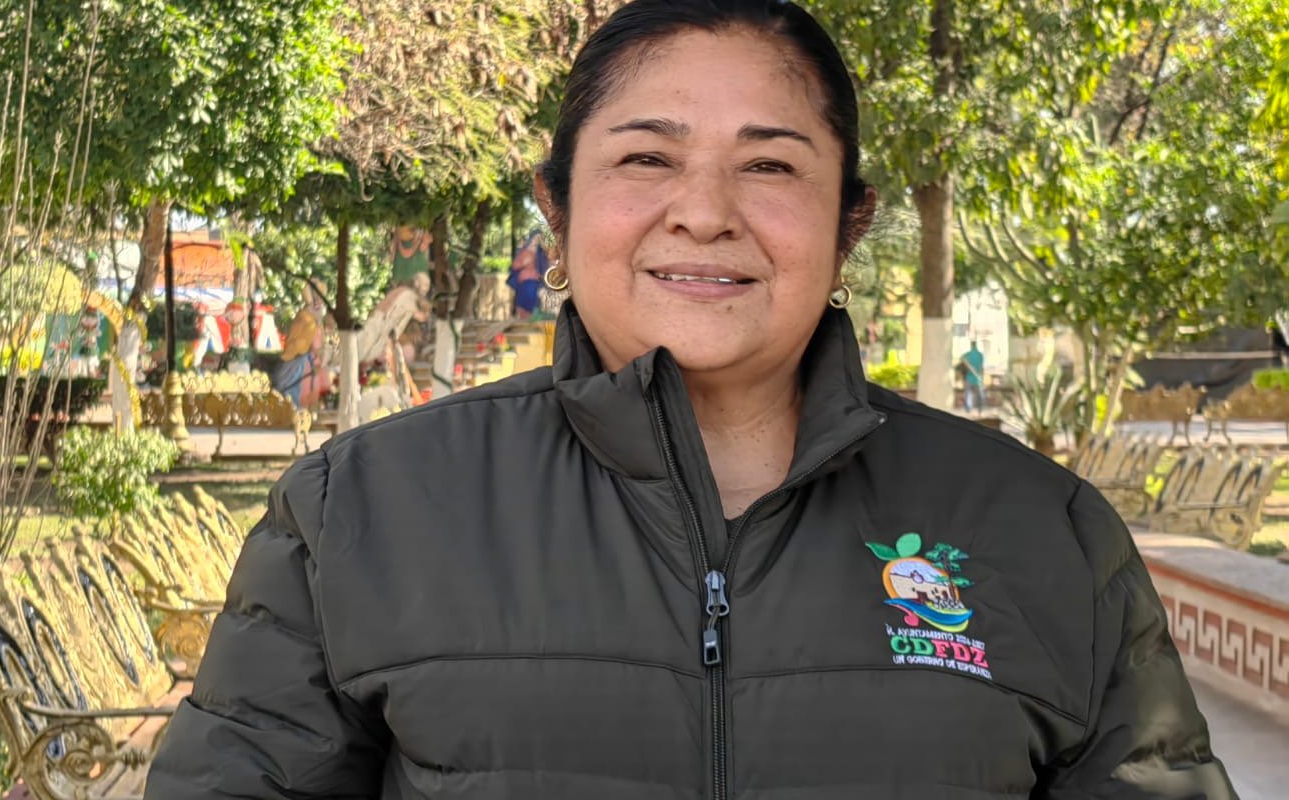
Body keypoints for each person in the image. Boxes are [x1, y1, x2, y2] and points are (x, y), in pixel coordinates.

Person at [147, 2, 1233, 798]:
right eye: (645, 158)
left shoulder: (1042, 532)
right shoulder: (361, 512)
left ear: (848, 224)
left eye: (770, 168)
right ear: (557, 207)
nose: (704, 212)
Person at [272, 284, 326, 409]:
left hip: (304, 358)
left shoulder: (312, 319)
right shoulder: (307, 319)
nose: (319, 304)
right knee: (292, 388)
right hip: (298, 358)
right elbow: (308, 343)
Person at [960, 341, 985, 411]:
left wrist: (966, 363)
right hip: (978, 378)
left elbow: (962, 357)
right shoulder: (980, 355)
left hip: (969, 377)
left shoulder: (968, 354)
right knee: (980, 394)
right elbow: (982, 367)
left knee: (968, 393)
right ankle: (980, 408)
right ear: (976, 345)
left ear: (971, 345)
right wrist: (981, 377)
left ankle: (968, 409)